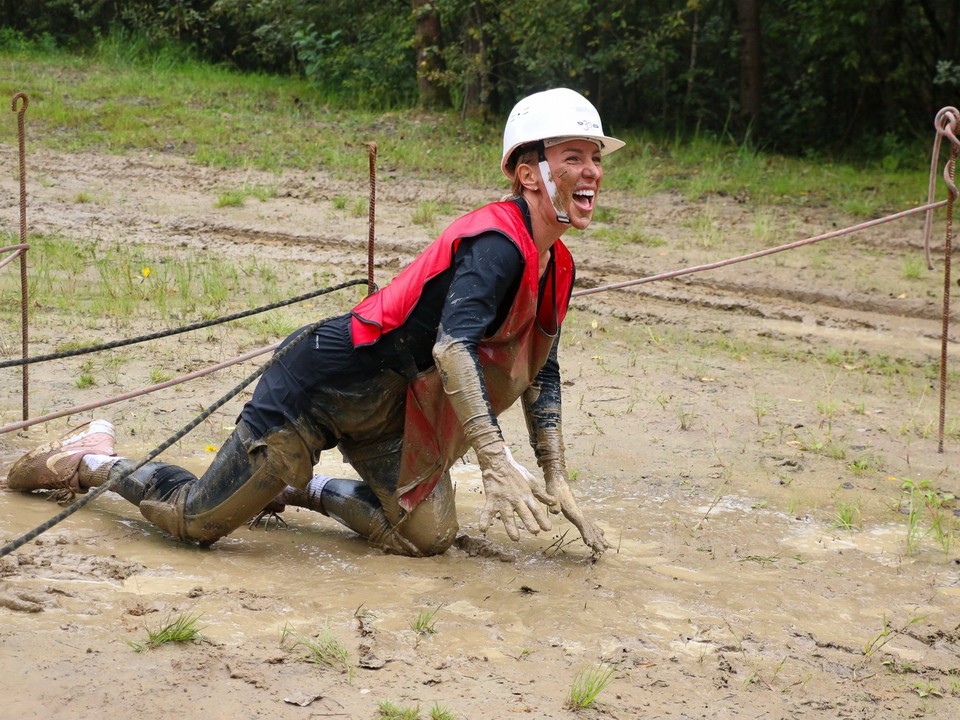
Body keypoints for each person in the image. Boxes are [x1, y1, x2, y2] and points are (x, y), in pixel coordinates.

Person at [4, 88, 622, 559]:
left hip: (385, 409)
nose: (591, 170)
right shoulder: (497, 244)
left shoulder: (555, 263)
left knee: (426, 536)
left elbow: (545, 369)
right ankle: (91, 460)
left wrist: (555, 475)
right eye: (573, 156)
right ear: (527, 172)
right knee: (195, 522)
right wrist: (495, 462)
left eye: (595, 157)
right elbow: (452, 347)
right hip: (318, 387)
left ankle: (301, 489)